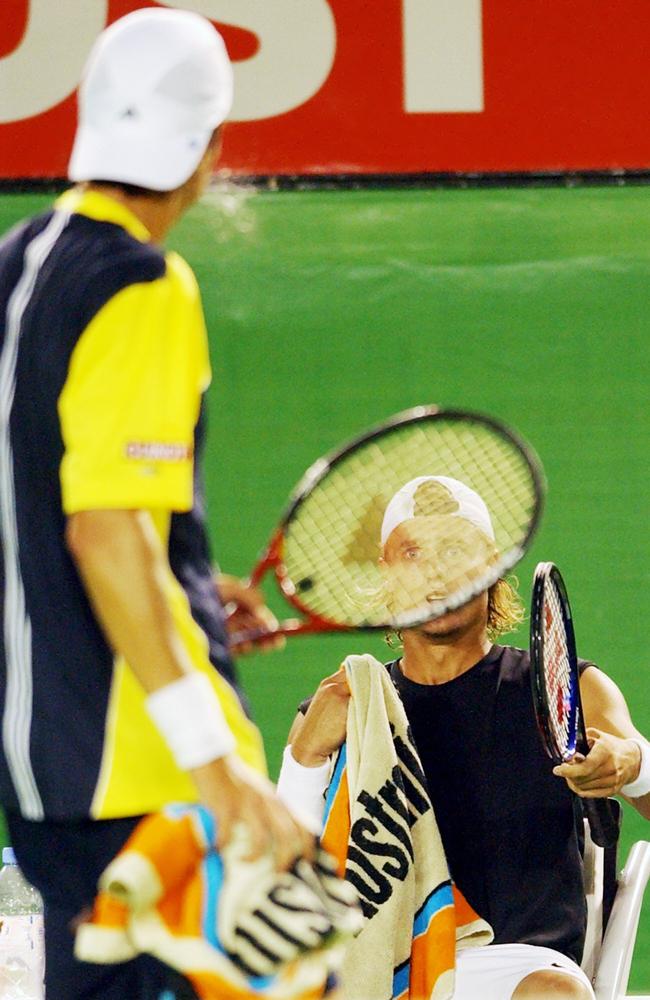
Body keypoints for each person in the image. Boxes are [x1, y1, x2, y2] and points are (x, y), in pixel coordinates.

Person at [0, 9, 312, 999]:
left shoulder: (16, 266)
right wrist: (212, 758)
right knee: (318, 969)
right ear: (211, 149)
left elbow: (49, 509)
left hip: (41, 766)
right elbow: (102, 532)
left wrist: (190, 587)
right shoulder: (141, 284)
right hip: (142, 773)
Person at [278, 475, 650, 1000]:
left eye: (456, 549)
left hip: (517, 969)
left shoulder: (570, 690)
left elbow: (631, 763)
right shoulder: (344, 713)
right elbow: (276, 881)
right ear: (387, 573)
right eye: (413, 552)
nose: (437, 570)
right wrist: (305, 757)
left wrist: (632, 764)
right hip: (382, 972)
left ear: (493, 566)